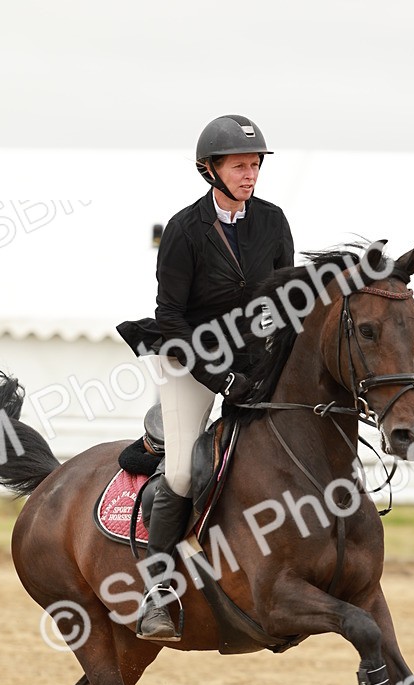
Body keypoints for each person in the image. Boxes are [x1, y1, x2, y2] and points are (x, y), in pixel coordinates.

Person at [121, 114, 294, 641]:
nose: (250, 174)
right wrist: (219, 378)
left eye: (255, 165)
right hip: (190, 359)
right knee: (179, 474)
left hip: (255, 360)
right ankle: (158, 590)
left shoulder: (273, 221)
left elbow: (286, 300)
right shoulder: (184, 229)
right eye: (240, 166)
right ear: (210, 169)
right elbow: (171, 317)